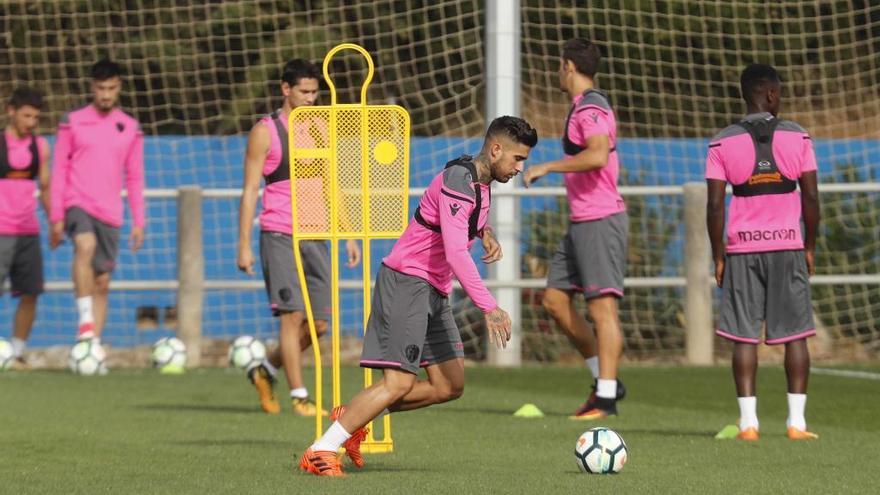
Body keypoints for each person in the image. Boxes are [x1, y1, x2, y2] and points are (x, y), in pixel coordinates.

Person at [299, 115, 537, 477]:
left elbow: (459, 221)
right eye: (518, 158)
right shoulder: (459, 179)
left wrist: (484, 231)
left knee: (450, 385)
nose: (521, 167)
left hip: (434, 292)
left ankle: (352, 418)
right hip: (408, 282)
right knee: (399, 383)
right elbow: (457, 252)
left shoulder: (479, 182)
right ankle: (321, 450)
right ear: (496, 149)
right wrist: (489, 306)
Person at [237, 58, 361, 416]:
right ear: (285, 89)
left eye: (314, 92)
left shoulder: (321, 128)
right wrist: (243, 243)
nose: (310, 98)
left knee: (319, 324)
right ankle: (300, 396)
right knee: (291, 317)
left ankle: (266, 368)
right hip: (279, 232)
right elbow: (248, 191)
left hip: (317, 233)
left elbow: (332, 184)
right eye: (304, 91)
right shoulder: (265, 131)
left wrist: (348, 234)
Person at [706, 63, 820, 441]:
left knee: (743, 337)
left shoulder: (721, 142)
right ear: (771, 94)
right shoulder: (799, 137)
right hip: (788, 245)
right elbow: (812, 198)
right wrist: (810, 246)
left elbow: (715, 206)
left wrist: (719, 255)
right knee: (796, 336)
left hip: (741, 250)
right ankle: (797, 424)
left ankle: (748, 425)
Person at [522, 38, 627, 420]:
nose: (557, 72)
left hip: (601, 219)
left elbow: (598, 154)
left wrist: (547, 167)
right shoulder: (580, 107)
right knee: (554, 300)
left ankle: (606, 399)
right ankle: (605, 379)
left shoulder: (593, 106)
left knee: (602, 310)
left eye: (558, 65)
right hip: (581, 221)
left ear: (568, 66)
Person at [50, 59, 145, 345]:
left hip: (110, 212)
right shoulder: (72, 121)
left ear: (119, 88)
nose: (105, 94)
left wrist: (139, 221)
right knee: (84, 245)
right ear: (92, 87)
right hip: (77, 202)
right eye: (101, 88)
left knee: (102, 282)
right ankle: (84, 320)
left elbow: (135, 177)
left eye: (111, 88)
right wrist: (56, 215)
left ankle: (91, 346)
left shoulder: (129, 127)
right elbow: (59, 170)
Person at [0, 87, 50, 370]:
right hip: (0, 230)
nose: (31, 122)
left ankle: (17, 353)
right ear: (11, 111)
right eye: (26, 116)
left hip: (28, 231)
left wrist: (55, 220)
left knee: (31, 293)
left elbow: (45, 186)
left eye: (35, 117)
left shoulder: (40, 146)